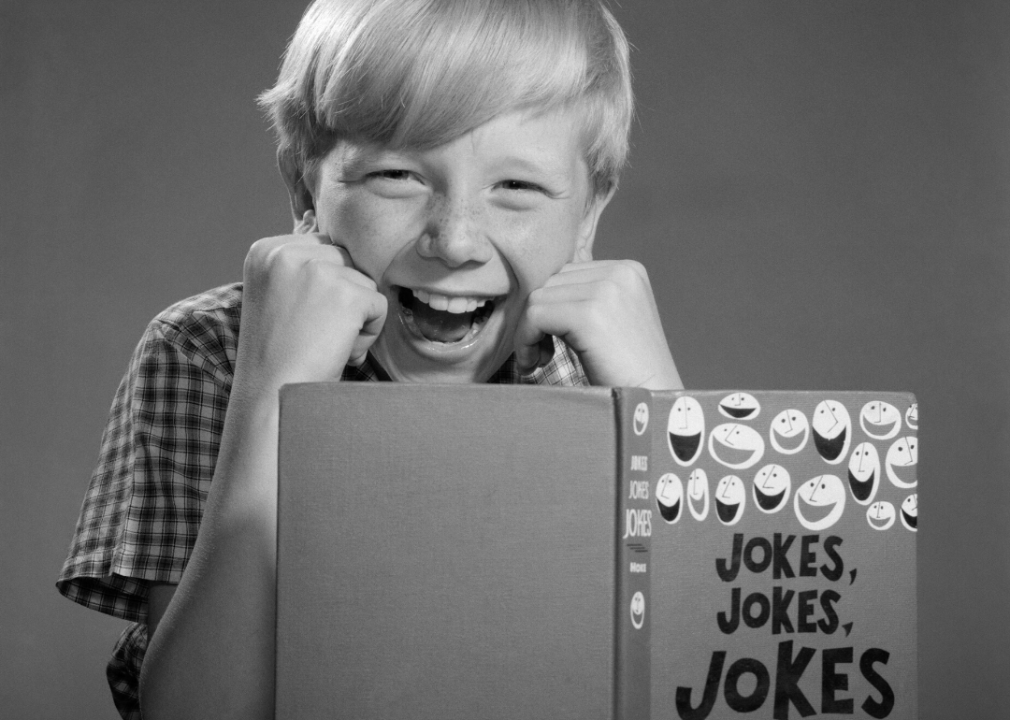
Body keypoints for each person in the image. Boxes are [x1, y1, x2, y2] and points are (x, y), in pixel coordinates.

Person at [57, 1, 682, 718]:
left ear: (590, 214)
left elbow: (693, 680)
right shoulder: (211, 352)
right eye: (397, 176)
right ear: (304, 187)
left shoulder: (590, 366)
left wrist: (665, 420)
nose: (455, 241)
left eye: (516, 187)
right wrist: (275, 392)